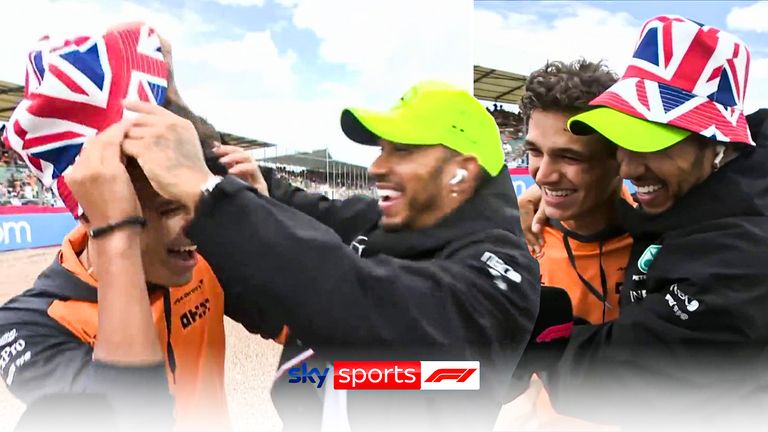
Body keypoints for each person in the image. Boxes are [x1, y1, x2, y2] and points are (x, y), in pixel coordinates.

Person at [119, 80, 540, 431]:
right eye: (381, 149)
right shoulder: (390, 221)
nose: (377, 167)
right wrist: (171, 102)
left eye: (403, 151)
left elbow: (370, 308)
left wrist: (207, 192)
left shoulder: (504, 273)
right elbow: (296, 209)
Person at [518, 15, 768, 430]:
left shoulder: (742, 251)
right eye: (621, 141)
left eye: (652, 143)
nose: (630, 166)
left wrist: (525, 334)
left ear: (717, 141)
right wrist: (571, 199)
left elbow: (630, 377)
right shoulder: (691, 201)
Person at [0, 24, 242, 432]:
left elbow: (318, 314)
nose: (195, 228)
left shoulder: (206, 259)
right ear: (95, 206)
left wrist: (172, 95)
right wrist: (117, 233)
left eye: (194, 205)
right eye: (167, 209)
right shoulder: (28, 324)